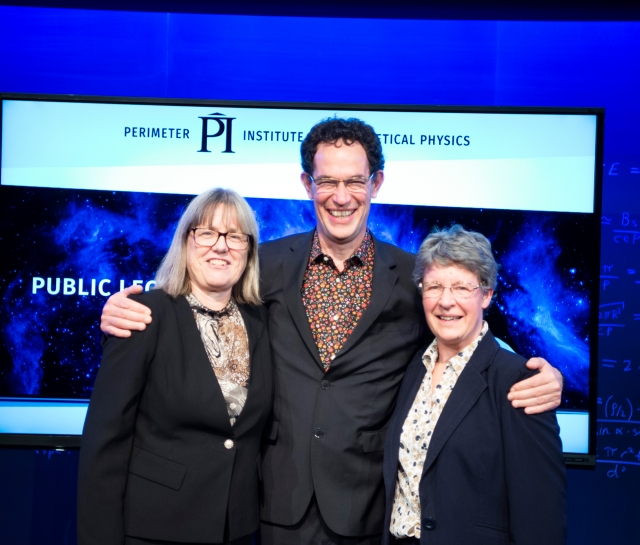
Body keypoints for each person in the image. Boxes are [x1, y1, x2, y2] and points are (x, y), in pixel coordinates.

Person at [100, 118, 563, 544]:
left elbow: (462, 326)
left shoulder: (411, 278)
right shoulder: (266, 265)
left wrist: (530, 373)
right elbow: (203, 291)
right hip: (274, 506)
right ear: (308, 184)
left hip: (364, 512)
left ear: (375, 183)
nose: (341, 196)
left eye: (354, 182)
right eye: (328, 182)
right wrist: (132, 309)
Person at [78, 188, 272, 545]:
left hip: (237, 531)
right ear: (185, 242)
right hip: (154, 529)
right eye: (207, 233)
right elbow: (105, 443)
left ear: (249, 250)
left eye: (234, 236)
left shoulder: (261, 321)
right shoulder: (143, 316)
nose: (221, 246)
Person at [383, 225, 566, 545]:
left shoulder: (520, 381)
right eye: (434, 286)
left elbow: (541, 516)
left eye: (461, 288)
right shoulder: (414, 368)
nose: (446, 301)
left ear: (487, 294)